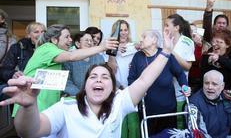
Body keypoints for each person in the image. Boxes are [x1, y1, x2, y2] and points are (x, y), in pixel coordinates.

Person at [0, 28, 175, 138]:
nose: (99, 79)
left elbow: (145, 78)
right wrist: (29, 106)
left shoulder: (120, 102)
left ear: (112, 87)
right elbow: (29, 132)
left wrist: (166, 51)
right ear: (86, 85)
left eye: (105, 77)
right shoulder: (66, 107)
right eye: (93, 76)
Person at [11, 24, 118, 116]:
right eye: (67, 37)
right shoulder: (46, 48)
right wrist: (101, 47)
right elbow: (72, 56)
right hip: (33, 109)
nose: (70, 40)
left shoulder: (57, 55)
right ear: (54, 40)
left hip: (46, 110)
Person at [128, 29, 190, 136]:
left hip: (168, 109)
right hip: (147, 109)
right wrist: (137, 92)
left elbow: (180, 74)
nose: (140, 40)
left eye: (144, 37)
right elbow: (131, 79)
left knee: (169, 135)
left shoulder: (166, 55)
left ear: (154, 40)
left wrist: (185, 86)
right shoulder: (137, 57)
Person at [186, 70, 231, 138]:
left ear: (222, 86)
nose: (210, 87)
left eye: (214, 84)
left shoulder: (224, 98)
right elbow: (199, 135)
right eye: (206, 83)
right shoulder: (193, 104)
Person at [164, 14, 195, 129]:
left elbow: (187, 66)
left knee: (179, 124)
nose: (165, 28)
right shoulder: (164, 40)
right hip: (164, 91)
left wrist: (171, 51)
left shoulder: (187, 42)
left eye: (167, 25)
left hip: (179, 92)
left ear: (176, 27)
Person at [63, 31, 105, 96]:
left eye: (91, 41)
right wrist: (80, 95)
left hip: (97, 96)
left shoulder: (99, 58)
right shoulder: (70, 59)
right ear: (78, 44)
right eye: (86, 40)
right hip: (76, 97)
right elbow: (66, 82)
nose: (89, 43)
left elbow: (105, 76)